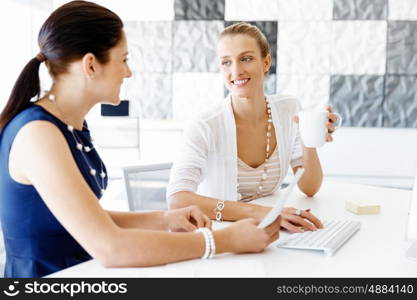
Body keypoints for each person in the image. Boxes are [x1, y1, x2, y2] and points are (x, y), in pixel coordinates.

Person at [0, 2, 280, 278]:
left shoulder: (68, 126)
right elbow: (112, 248)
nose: (128, 72)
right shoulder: (38, 135)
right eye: (123, 60)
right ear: (91, 65)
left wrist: (164, 219)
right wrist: (225, 241)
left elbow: (89, 220)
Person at [167, 22, 340, 233]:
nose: (236, 71)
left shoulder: (289, 109)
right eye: (226, 62)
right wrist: (262, 213)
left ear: (266, 62)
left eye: (246, 59)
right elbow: (177, 200)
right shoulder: (205, 124)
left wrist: (309, 137)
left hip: (270, 229)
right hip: (219, 234)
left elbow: (310, 187)